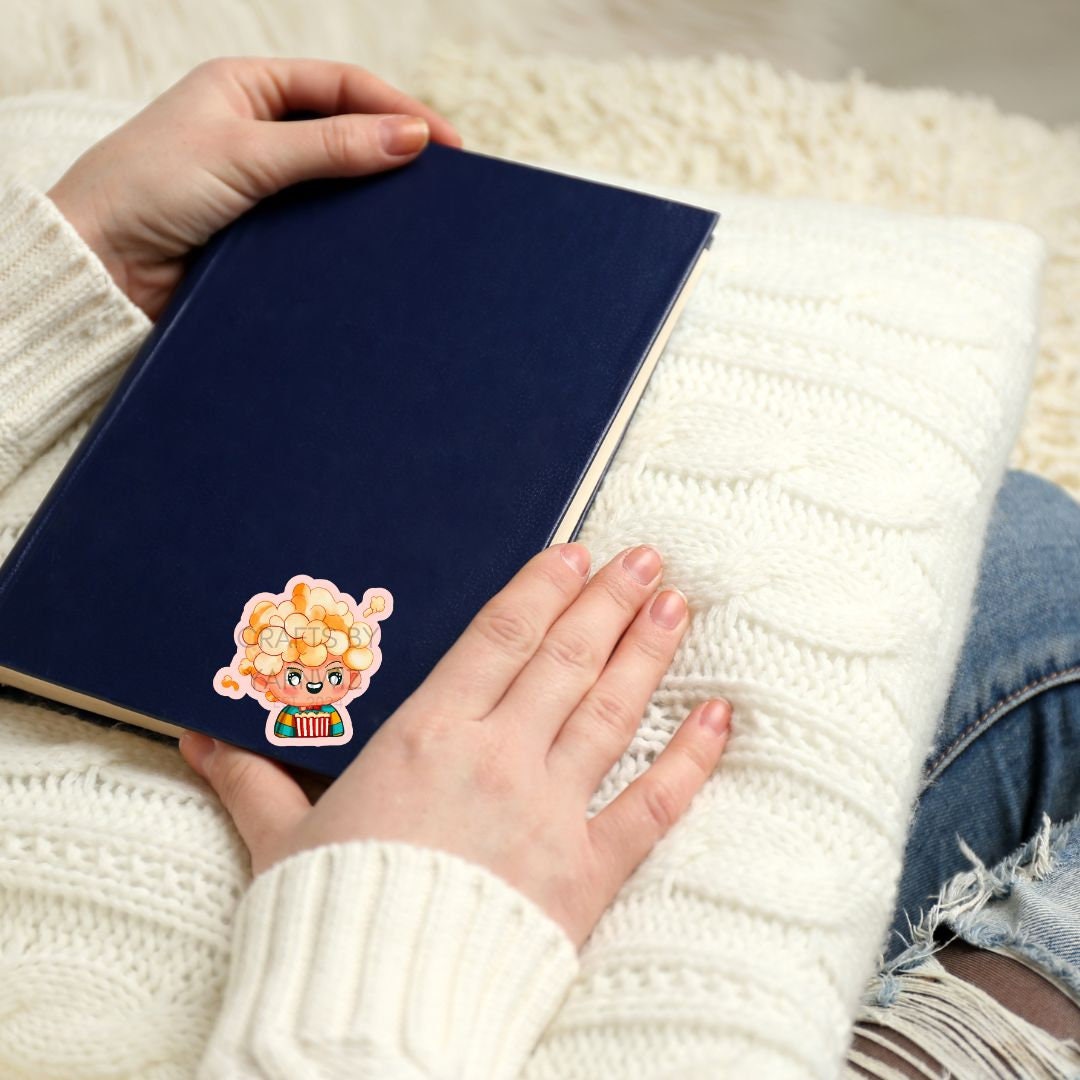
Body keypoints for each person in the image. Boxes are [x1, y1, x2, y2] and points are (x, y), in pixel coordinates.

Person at [2, 55, 1077, 1077]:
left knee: (1026, 550)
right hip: (386, 971)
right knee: (1047, 582)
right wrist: (399, 931)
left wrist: (45, 289)